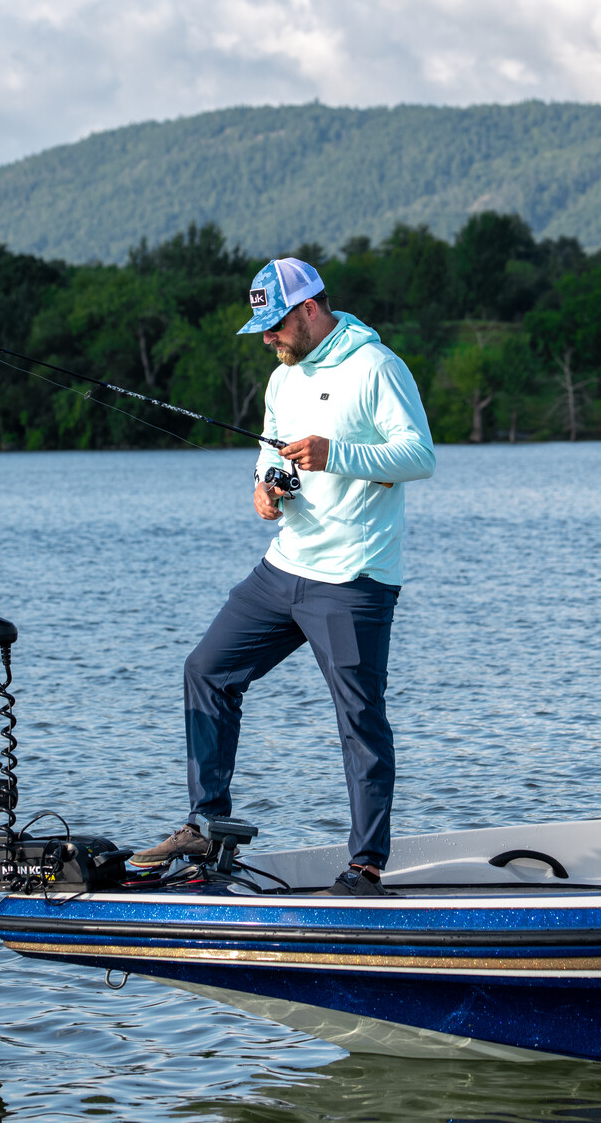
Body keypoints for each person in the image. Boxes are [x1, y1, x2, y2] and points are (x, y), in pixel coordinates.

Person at [130, 256, 437, 896]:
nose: (268, 338)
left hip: (353, 576)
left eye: (275, 325)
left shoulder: (376, 368)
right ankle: (205, 825)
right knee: (206, 669)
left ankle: (366, 865)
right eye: (262, 328)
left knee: (359, 717)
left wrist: (336, 453)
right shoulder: (282, 380)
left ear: (309, 310)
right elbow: (271, 454)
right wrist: (267, 488)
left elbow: (419, 456)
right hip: (284, 566)